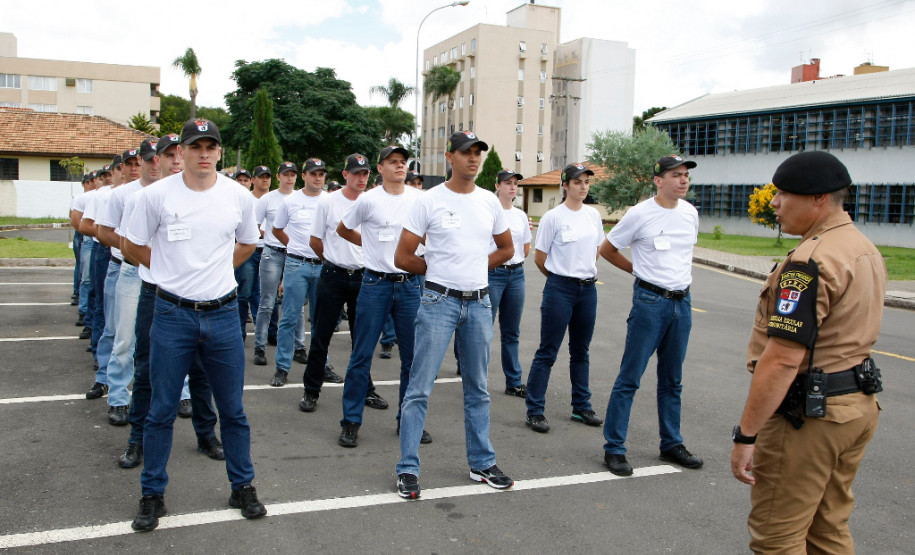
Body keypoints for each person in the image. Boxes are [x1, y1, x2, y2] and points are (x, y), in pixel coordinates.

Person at [730, 151, 885, 553]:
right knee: (827, 529)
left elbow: (782, 358)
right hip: (854, 406)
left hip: (809, 419)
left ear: (818, 198)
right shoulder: (862, 247)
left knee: (777, 537)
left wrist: (746, 434)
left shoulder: (809, 261)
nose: (774, 204)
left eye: (784, 194)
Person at [122, 118, 266, 531]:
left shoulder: (238, 196)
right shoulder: (156, 196)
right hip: (172, 313)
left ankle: (242, 485)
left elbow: (248, 242)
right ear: (180, 152)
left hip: (223, 314)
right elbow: (132, 244)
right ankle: (152, 494)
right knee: (161, 410)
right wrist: (169, 270)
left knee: (233, 411)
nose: (204, 153)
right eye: (195, 146)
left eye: (211, 146)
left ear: (220, 152)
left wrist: (217, 267)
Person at [393, 130, 515, 499]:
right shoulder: (429, 201)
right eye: (466, 152)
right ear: (450, 157)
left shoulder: (489, 202)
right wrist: (437, 270)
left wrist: (477, 263)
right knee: (419, 389)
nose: (473, 158)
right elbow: (402, 257)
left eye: (478, 152)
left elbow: (507, 248)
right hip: (437, 302)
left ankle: (482, 462)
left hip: (479, 303)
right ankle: (408, 468)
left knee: (478, 388)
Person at [117, 132, 223, 470]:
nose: (175, 161)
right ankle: (138, 439)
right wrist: (168, 269)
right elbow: (128, 245)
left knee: (201, 370)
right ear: (160, 160)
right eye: (165, 156)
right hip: (158, 294)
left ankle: (206, 433)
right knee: (147, 369)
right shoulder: (146, 198)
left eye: (178, 155)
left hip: (199, 298)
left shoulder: (204, 195)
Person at [599, 154, 702, 476]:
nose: (683, 180)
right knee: (630, 378)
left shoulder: (690, 213)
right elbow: (608, 249)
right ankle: (614, 448)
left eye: (685, 175)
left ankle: (671, 443)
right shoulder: (640, 214)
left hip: (681, 304)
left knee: (673, 381)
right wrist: (639, 272)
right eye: (676, 175)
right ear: (658, 181)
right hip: (650, 303)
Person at [336, 146, 425, 448]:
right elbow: (344, 229)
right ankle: (351, 421)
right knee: (361, 354)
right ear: (380, 168)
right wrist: (370, 244)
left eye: (403, 162)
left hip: (410, 285)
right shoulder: (369, 200)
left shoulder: (418, 199)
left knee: (412, 358)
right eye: (393, 162)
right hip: (375, 283)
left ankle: (408, 420)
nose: (400, 166)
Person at [298, 153, 386, 411]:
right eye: (356, 173)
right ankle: (311, 390)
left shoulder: (374, 202)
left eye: (365, 173)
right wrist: (333, 261)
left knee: (363, 340)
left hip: (365, 277)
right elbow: (315, 240)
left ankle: (366, 390)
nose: (361, 178)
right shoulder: (328, 202)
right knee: (321, 336)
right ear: (345, 174)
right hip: (333, 276)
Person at [524, 163, 604, 434]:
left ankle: (581, 406)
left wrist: (581, 275)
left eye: (586, 182)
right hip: (560, 288)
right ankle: (534, 410)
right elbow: (540, 257)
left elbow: (595, 250)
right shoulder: (553, 217)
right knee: (548, 351)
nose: (583, 187)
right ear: (565, 185)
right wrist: (560, 280)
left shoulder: (593, 216)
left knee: (581, 351)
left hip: (588, 290)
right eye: (578, 182)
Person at [95, 140, 159, 425]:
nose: (153, 164)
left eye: (159, 158)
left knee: (172, 339)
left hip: (167, 275)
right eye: (147, 160)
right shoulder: (122, 194)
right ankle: (119, 396)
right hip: (132, 270)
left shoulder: (172, 191)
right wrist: (130, 247)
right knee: (124, 338)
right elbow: (102, 231)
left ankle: (180, 392)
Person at [270, 158, 327, 386]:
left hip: (322, 265)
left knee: (321, 321)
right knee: (290, 317)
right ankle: (282, 367)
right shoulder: (291, 201)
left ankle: (321, 365)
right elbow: (276, 229)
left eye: (322, 173)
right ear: (304, 175)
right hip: (297, 264)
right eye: (313, 173)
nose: (318, 177)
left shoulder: (330, 200)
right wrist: (293, 245)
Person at [252, 162, 306, 366]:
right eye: (286, 174)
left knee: (297, 304)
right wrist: (269, 238)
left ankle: (299, 346)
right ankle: (260, 346)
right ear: (278, 176)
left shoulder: (301, 198)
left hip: (295, 255)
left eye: (293, 174)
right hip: (273, 253)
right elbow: (254, 226)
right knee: (267, 302)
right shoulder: (267, 199)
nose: (289, 178)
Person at [489, 169, 531, 398]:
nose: (512, 187)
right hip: (493, 274)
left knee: (511, 331)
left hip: (516, 275)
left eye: (515, 184)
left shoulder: (520, 216)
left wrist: (514, 263)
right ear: (498, 186)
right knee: (483, 329)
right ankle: (473, 377)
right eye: (507, 183)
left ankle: (513, 381)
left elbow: (525, 247)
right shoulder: (488, 211)